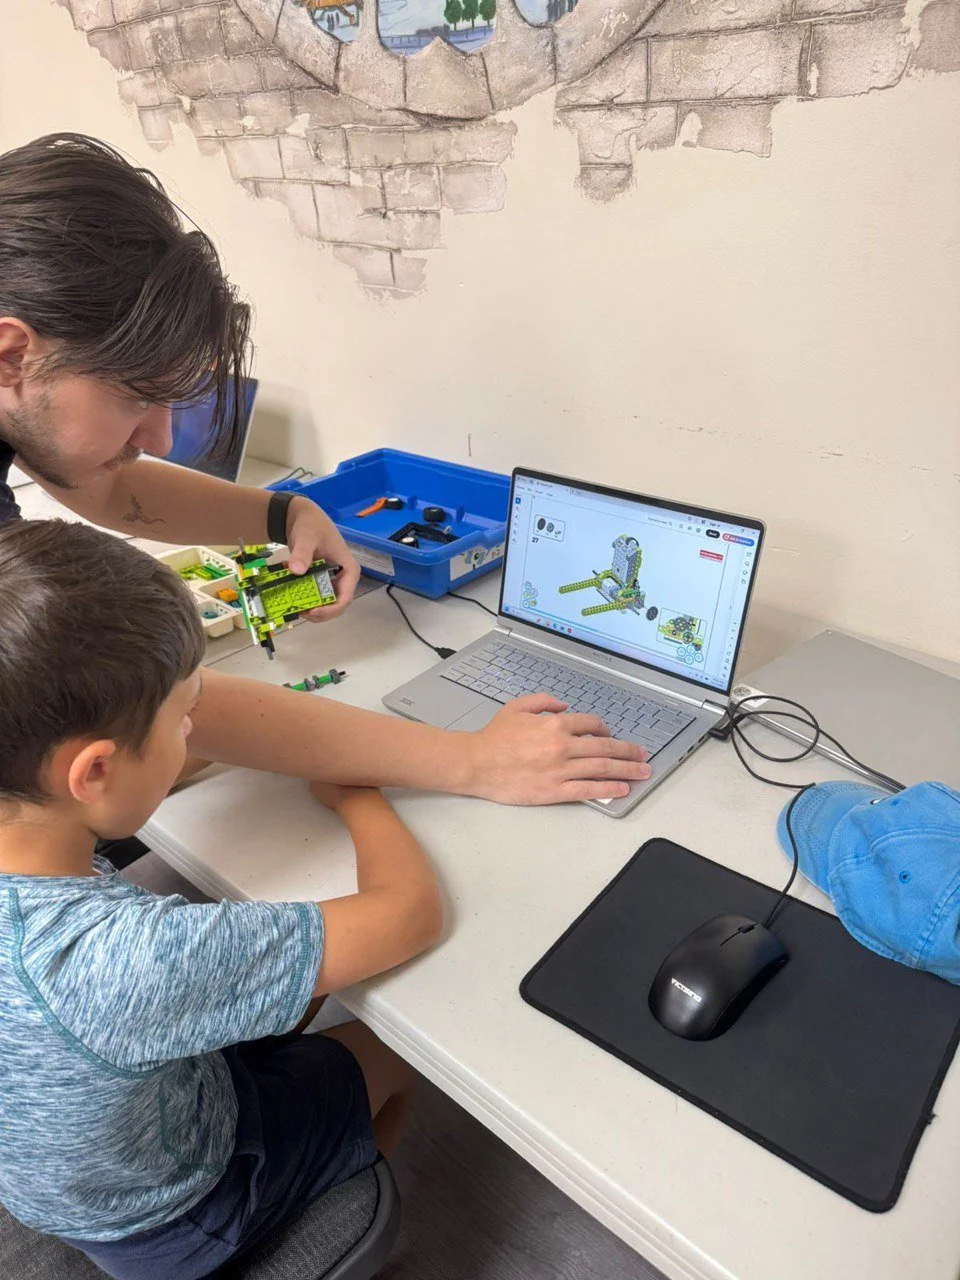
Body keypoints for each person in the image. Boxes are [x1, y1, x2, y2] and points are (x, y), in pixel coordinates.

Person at [0, 132, 650, 807]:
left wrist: (288, 512)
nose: (160, 439)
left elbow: (107, 480)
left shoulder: (21, 389)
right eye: (134, 397)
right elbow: (141, 706)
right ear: (12, 354)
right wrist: (471, 761)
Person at [0, 519, 443, 1279]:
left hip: (64, 1179)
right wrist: (357, 796)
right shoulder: (122, 960)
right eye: (182, 719)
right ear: (92, 772)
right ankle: (325, 1195)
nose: (194, 735)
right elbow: (409, 915)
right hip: (173, 1217)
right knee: (396, 1053)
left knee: (299, 997)